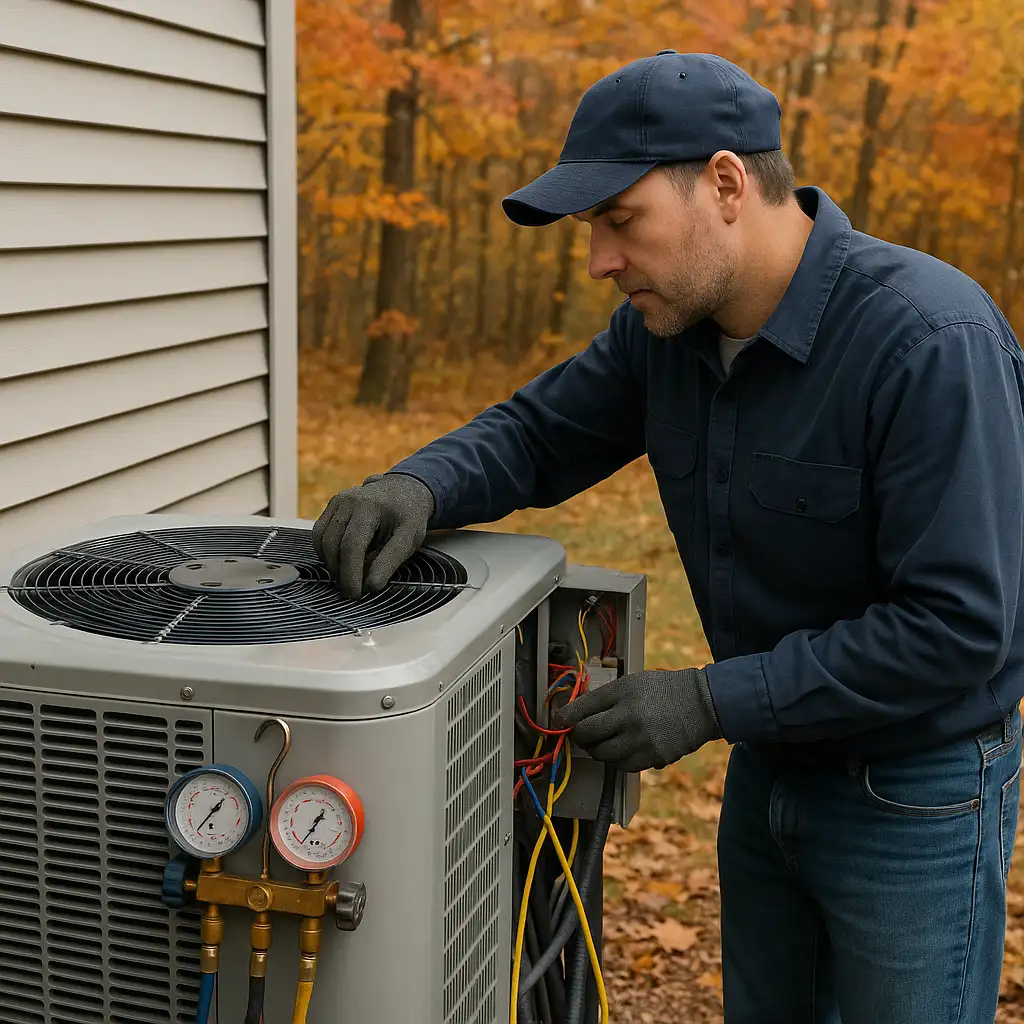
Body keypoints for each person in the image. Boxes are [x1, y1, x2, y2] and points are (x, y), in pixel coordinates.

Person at [312, 50, 1024, 1023]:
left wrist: (706, 697)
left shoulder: (926, 341)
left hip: (913, 796)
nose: (601, 260)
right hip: (771, 766)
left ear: (725, 184)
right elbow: (537, 433)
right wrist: (416, 484)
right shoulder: (665, 337)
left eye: (618, 221)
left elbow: (955, 626)